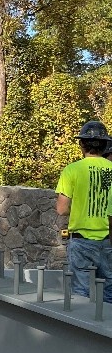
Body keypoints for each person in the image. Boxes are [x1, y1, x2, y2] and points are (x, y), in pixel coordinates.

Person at [55, 120, 112, 301]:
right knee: (109, 294)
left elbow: (62, 209)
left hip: (81, 242)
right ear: (104, 145)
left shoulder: (71, 170)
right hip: (108, 242)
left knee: (82, 295)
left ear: (82, 144)